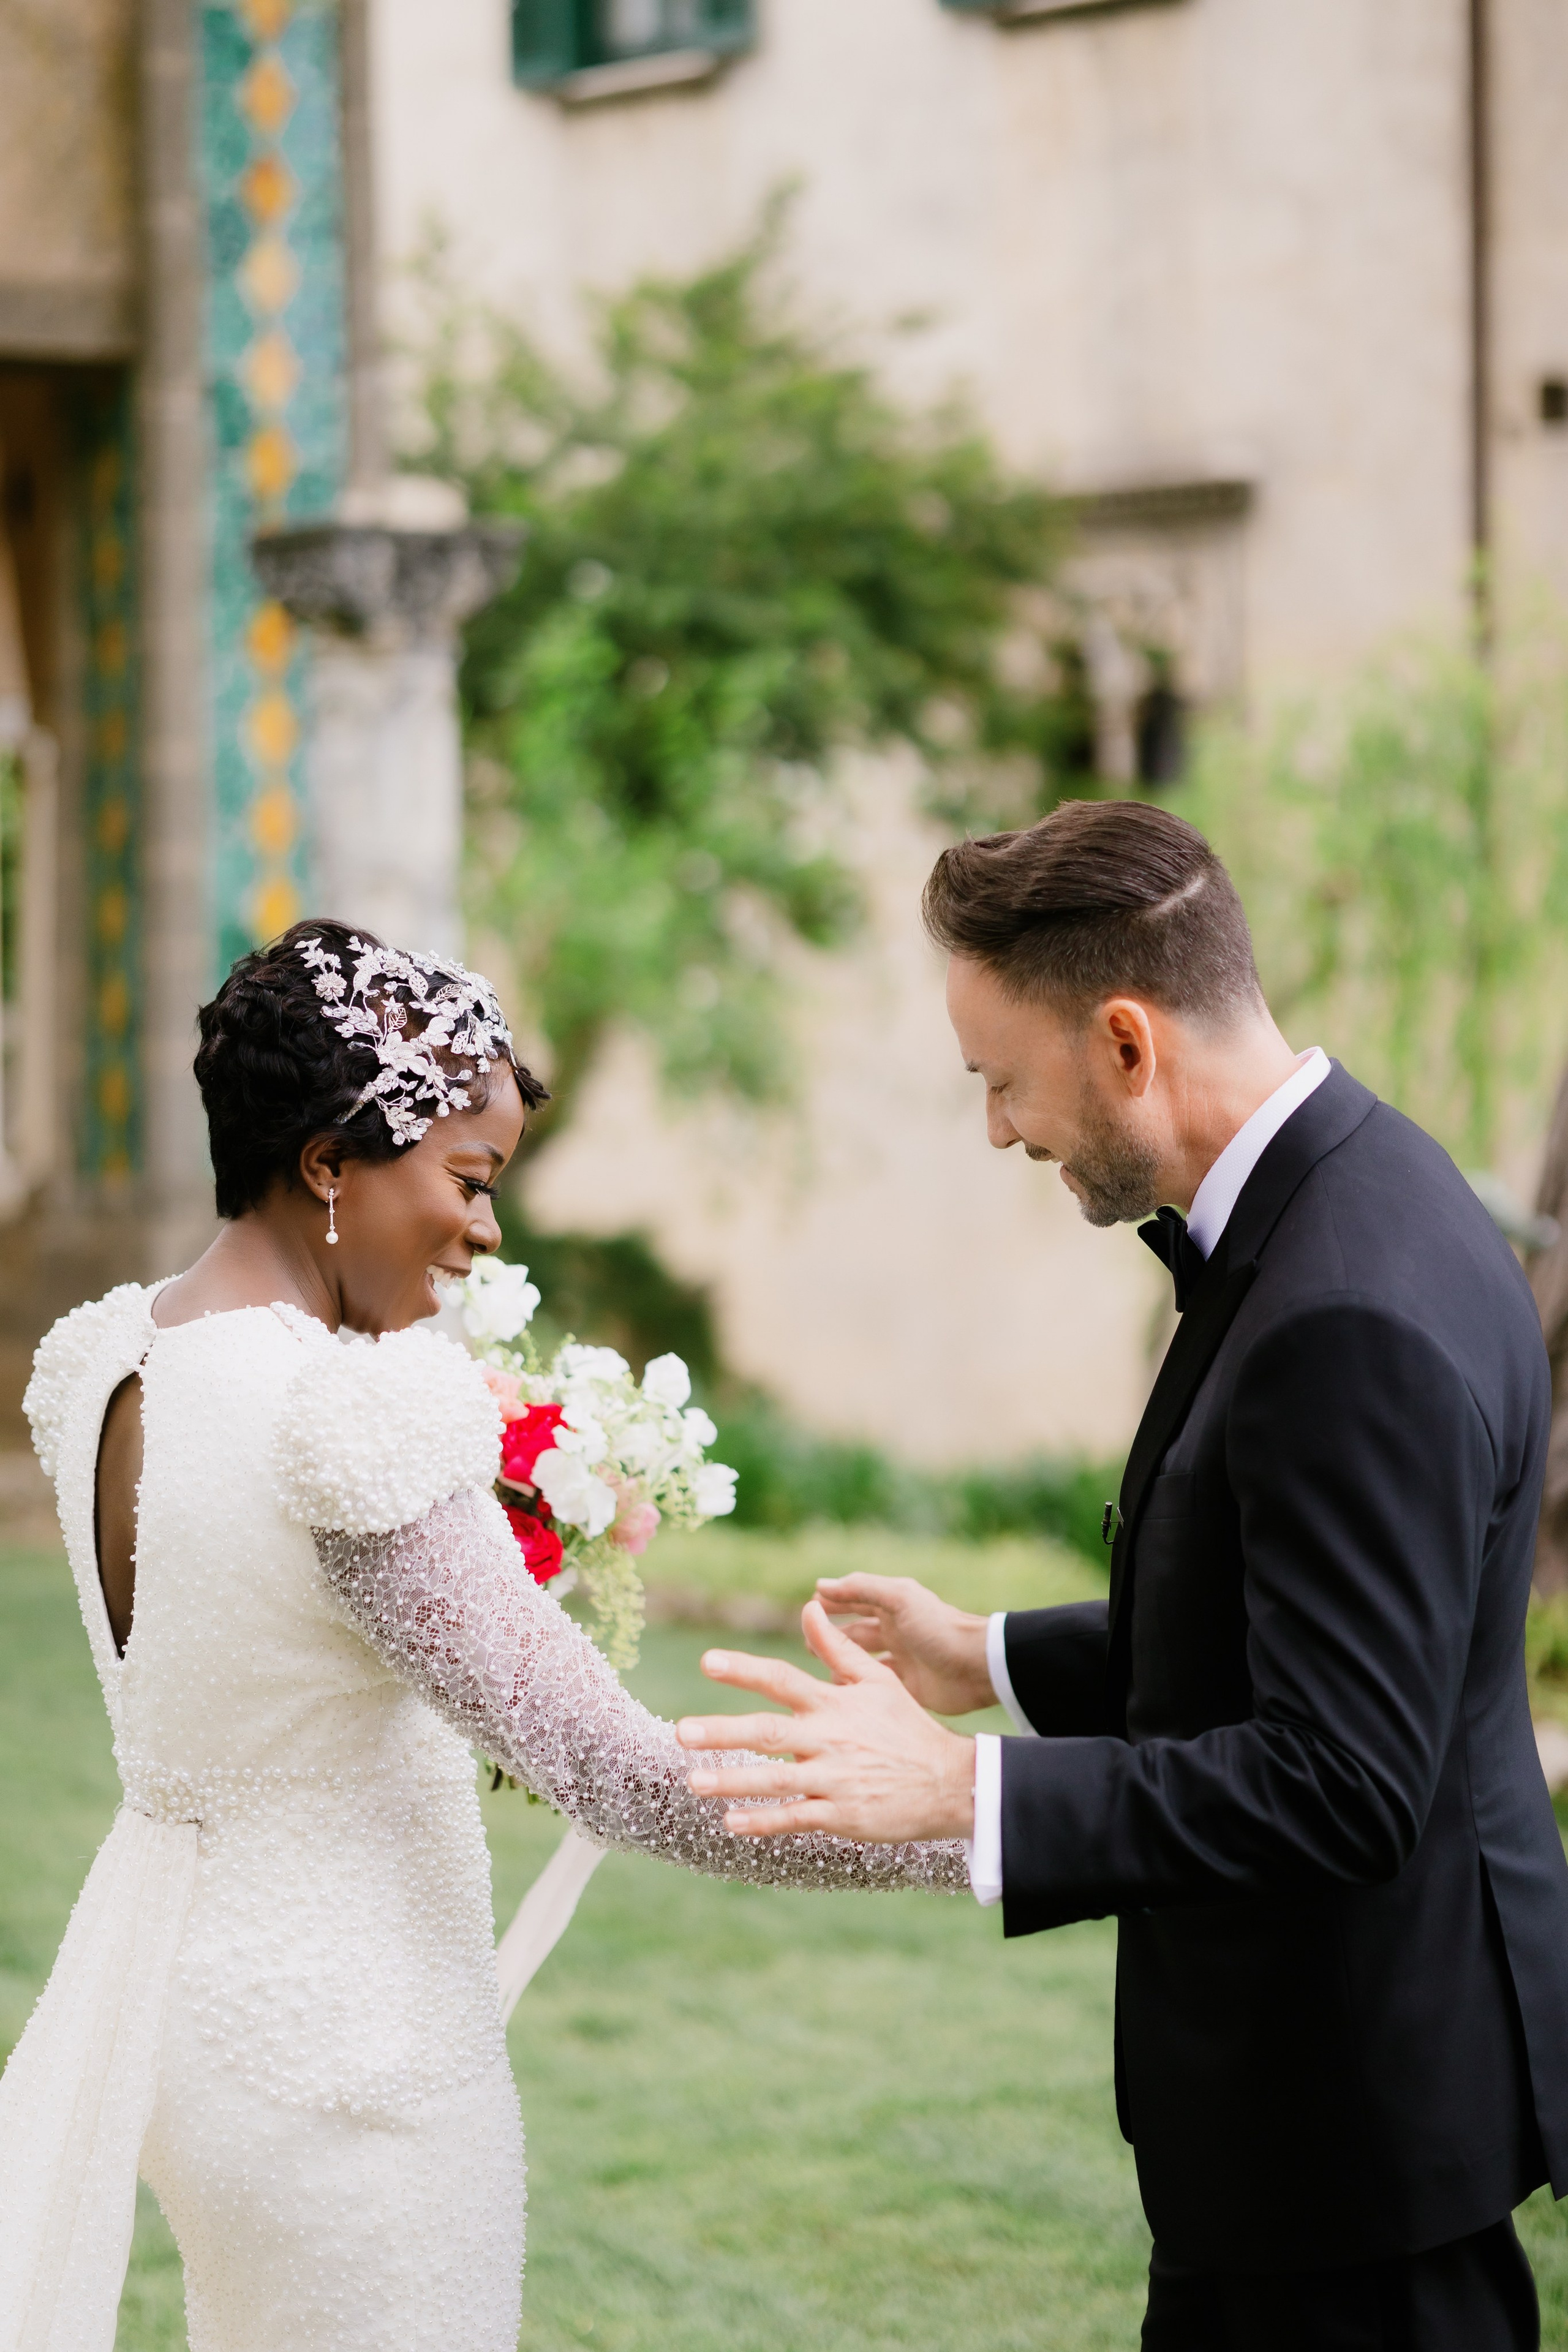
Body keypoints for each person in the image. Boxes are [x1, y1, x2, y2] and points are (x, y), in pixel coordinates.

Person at [0, 918, 965, 2352]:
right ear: (329, 1163)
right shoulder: (352, 1415)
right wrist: (983, 1831)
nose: (489, 1229)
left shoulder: (108, 1361)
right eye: (467, 1179)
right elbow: (623, 1776)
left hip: (198, 2040)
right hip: (353, 2080)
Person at [679, 800, 1568, 2351]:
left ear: (1122, 1041)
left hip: (1349, 2133)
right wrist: (989, 1655)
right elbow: (1309, 1626)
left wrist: (971, 1793)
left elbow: (1338, 1778)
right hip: (1337, 2112)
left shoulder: (1338, 1308)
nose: (998, 1131)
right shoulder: (1367, 1188)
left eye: (998, 1080)